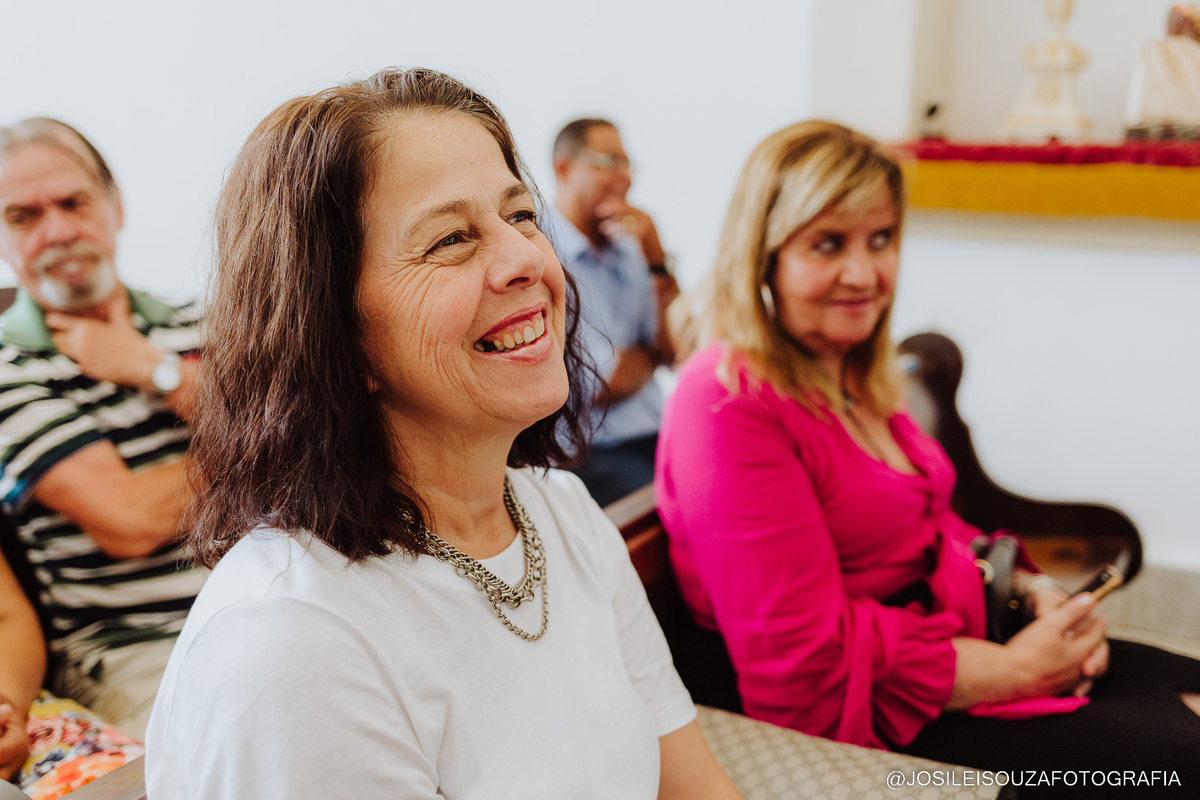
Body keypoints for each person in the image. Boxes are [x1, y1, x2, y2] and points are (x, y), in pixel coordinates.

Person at [144, 68, 740, 800]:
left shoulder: (567, 516)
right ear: (334, 334)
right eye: (451, 238)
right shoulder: (293, 641)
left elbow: (694, 786)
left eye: (521, 216)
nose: (530, 258)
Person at [655, 120, 1200, 796]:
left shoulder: (853, 370)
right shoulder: (727, 400)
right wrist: (1012, 671)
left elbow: (928, 523)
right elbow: (798, 663)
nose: (865, 273)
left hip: (945, 637)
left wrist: (1035, 593)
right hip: (865, 701)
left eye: (880, 240)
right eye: (828, 244)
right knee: (1180, 760)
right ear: (761, 256)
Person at [0, 118, 204, 740]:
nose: (58, 230)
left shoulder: (208, 321)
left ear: (115, 205)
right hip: (139, 647)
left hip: (288, 597)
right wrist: (266, 439)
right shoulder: (7, 368)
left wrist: (154, 370)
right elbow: (131, 521)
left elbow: (335, 442)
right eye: (23, 217)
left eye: (73, 202)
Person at [545, 118, 678, 506]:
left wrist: (656, 259)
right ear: (564, 168)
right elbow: (606, 383)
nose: (624, 177)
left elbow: (677, 349)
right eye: (608, 161)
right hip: (596, 451)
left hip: (658, 430)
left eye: (627, 164)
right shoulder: (544, 253)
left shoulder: (631, 245)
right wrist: (651, 353)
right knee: (677, 506)